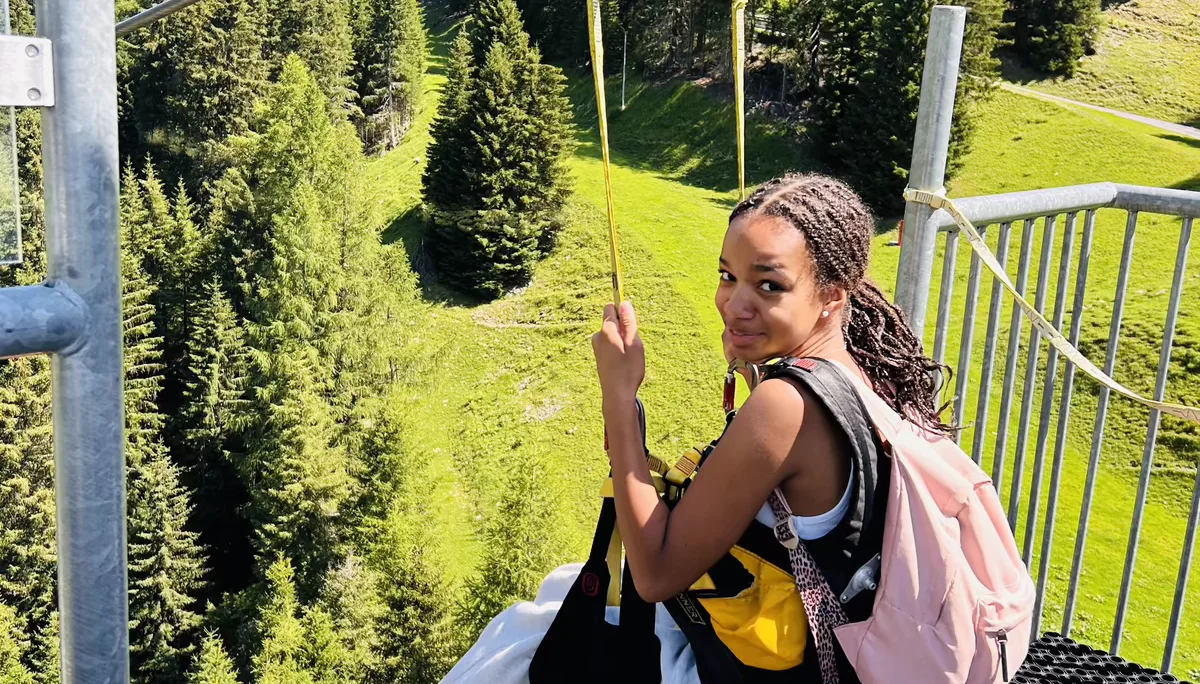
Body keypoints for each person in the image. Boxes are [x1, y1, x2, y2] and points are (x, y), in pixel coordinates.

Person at [441, 173, 953, 684]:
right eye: (728, 276)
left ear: (832, 297)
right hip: (812, 642)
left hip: (772, 668)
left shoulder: (785, 405)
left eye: (769, 285)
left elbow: (656, 575)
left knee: (516, 647)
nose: (734, 304)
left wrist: (619, 397)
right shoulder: (861, 368)